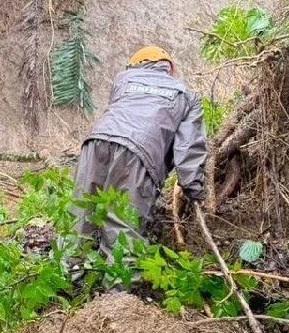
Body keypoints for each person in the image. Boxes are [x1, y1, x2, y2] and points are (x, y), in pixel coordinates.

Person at [72, 46, 207, 253]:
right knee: (123, 227)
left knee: (80, 215)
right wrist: (193, 188)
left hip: (95, 143)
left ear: (136, 65)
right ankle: (115, 285)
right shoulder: (186, 95)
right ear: (169, 68)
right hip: (139, 154)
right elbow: (188, 147)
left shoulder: (123, 80)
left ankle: (67, 274)